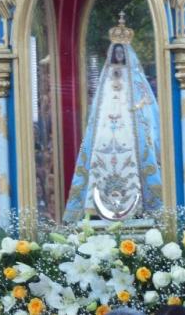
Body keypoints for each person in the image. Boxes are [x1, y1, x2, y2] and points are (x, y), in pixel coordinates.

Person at [64, 15, 162, 222]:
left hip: (130, 129)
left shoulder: (134, 75)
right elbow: (99, 105)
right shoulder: (106, 75)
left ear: (126, 53)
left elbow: (146, 100)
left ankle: (138, 205)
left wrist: (137, 108)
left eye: (121, 51)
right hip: (106, 130)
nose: (118, 55)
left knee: (133, 160)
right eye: (115, 51)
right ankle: (95, 206)